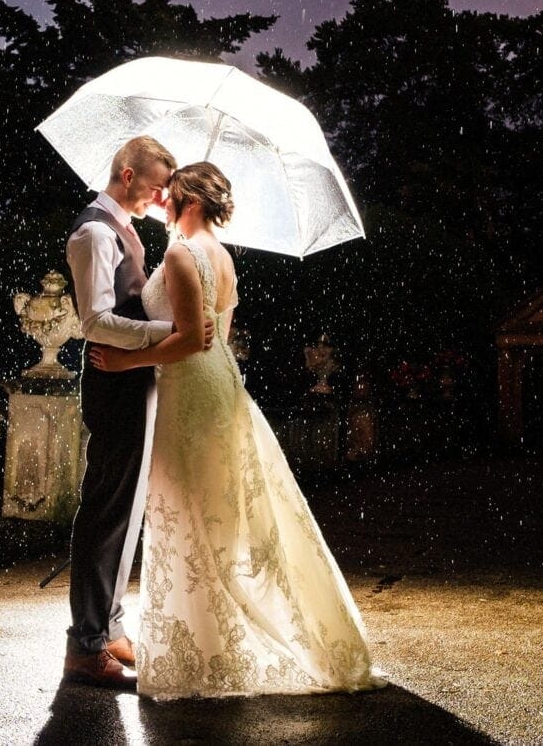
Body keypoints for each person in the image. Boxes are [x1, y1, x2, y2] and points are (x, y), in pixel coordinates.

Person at [91, 162, 383, 699]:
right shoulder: (221, 256)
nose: (163, 202)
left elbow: (190, 341)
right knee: (219, 515)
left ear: (192, 201)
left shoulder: (181, 253)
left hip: (188, 391)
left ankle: (205, 650)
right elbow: (219, 336)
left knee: (190, 511)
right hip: (220, 387)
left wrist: (124, 363)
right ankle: (213, 641)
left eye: (171, 195)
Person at [61, 136, 214, 689]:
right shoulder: (94, 232)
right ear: (126, 176)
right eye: (154, 186)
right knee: (106, 509)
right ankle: (85, 647)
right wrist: (169, 333)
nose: (160, 196)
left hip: (137, 379)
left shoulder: (124, 229)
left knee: (127, 511)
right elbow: (97, 321)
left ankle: (109, 626)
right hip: (112, 381)